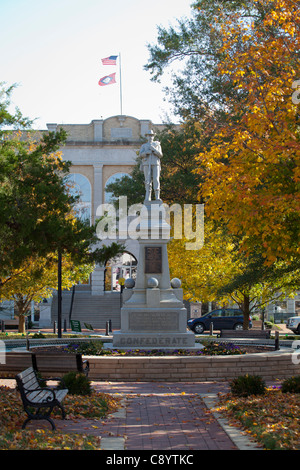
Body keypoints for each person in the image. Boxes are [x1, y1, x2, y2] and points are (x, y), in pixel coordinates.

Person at [139, 130, 163, 202]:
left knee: (156, 179)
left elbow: (160, 155)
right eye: (149, 135)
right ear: (147, 136)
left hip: (155, 163)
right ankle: (147, 197)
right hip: (147, 163)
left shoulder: (157, 145)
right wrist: (146, 153)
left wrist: (154, 150)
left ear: (153, 136)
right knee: (147, 181)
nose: (150, 137)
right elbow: (140, 155)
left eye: (152, 135)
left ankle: (157, 197)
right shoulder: (144, 146)